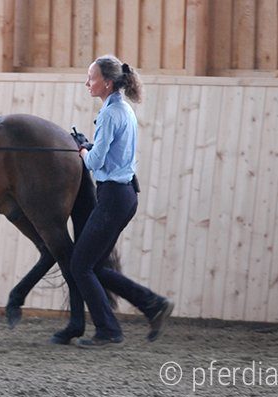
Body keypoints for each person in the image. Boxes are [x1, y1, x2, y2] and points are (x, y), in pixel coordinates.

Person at [54, 55, 173, 348]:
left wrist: (82, 148)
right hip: (125, 195)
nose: (87, 83)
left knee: (81, 265)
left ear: (107, 82)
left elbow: (94, 163)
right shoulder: (123, 108)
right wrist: (90, 146)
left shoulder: (109, 114)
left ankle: (109, 330)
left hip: (113, 197)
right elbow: (110, 154)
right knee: (95, 265)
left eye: (91, 78)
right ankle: (152, 304)